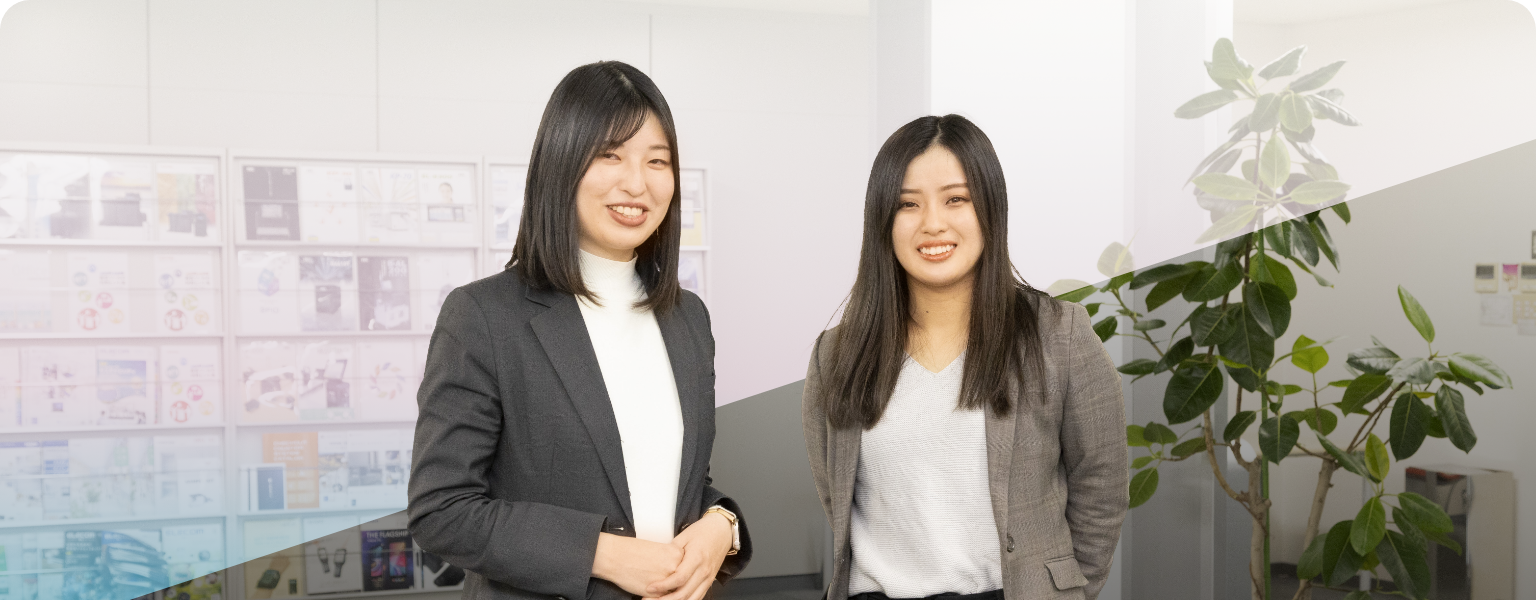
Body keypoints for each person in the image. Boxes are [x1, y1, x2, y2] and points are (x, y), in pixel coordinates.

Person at [409, 60, 750, 600]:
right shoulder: (483, 316)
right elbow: (442, 510)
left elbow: (676, 484)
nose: (636, 183)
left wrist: (721, 525)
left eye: (657, 161)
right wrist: (603, 554)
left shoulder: (688, 318)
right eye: (610, 155)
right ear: (561, 163)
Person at [802, 114, 1127, 600]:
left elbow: (1102, 485)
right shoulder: (836, 354)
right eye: (907, 204)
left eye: (956, 199)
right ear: (882, 222)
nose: (933, 223)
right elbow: (836, 493)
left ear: (990, 208)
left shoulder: (1059, 336)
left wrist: (1066, 590)